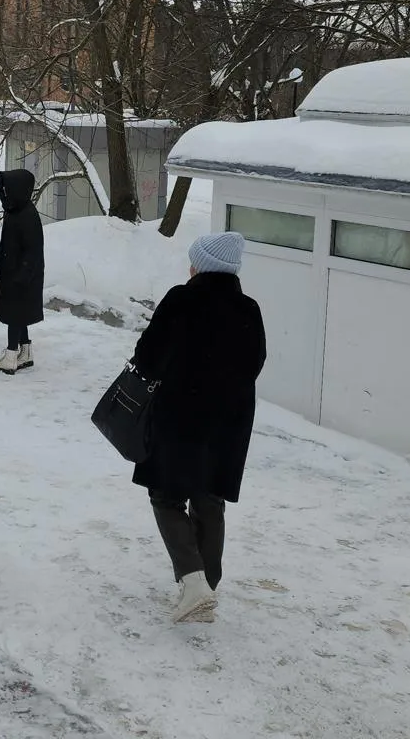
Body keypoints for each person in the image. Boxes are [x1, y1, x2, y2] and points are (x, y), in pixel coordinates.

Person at [130, 232, 266, 624]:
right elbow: (256, 361)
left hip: (180, 416)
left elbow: (148, 355)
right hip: (229, 422)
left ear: (202, 265)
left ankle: (194, 583)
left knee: (166, 496)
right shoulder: (249, 309)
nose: (188, 267)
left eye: (193, 261)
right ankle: (206, 585)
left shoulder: (182, 299)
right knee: (208, 496)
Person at [0, 168, 44, 373]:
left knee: (15, 313)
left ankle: (12, 354)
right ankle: (26, 351)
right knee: (19, 313)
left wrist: (23, 276)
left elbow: (33, 250)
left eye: (8, 188)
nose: (5, 192)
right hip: (13, 270)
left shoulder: (27, 215)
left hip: (23, 274)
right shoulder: (14, 209)